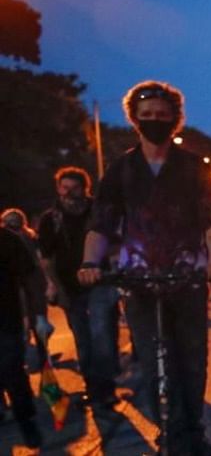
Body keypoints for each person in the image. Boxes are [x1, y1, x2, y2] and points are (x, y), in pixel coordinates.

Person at [77, 80, 211, 456]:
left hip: (187, 275)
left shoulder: (194, 167)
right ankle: (168, 429)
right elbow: (101, 222)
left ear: (175, 120)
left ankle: (192, 430)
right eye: (147, 116)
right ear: (134, 119)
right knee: (150, 359)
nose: (155, 121)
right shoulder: (121, 170)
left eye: (162, 116)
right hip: (139, 278)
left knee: (192, 359)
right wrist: (89, 263)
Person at [36, 166, 121, 406]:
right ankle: (93, 388)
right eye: (64, 188)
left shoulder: (99, 212)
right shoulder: (50, 219)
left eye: (74, 188)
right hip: (69, 287)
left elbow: (115, 244)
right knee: (83, 340)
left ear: (85, 188)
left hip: (100, 283)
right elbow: (46, 257)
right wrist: (53, 286)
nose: (69, 193)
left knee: (102, 334)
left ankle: (106, 388)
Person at [1, 228, 46, 448]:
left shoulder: (6, 239)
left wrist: (38, 313)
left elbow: (30, 276)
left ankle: (27, 422)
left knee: (13, 372)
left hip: (5, 320)